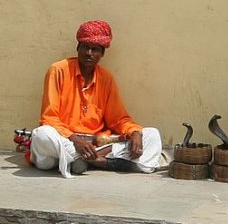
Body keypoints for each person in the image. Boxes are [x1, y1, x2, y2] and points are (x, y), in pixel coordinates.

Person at [30, 20, 162, 178]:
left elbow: (118, 119)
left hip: (96, 145)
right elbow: (49, 117)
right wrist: (75, 141)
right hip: (65, 141)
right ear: (78, 48)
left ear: (102, 53)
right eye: (85, 47)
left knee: (151, 134)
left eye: (95, 49)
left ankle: (91, 161)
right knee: (42, 135)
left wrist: (135, 132)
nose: (89, 53)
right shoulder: (58, 70)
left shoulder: (106, 78)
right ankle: (87, 159)